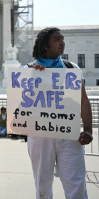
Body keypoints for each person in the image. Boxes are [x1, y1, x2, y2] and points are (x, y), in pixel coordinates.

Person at [26, 27, 92, 199]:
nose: (62, 42)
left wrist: (88, 129)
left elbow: (83, 100)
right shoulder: (28, 70)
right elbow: (21, 104)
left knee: (76, 185)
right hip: (40, 134)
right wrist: (33, 76)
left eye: (62, 38)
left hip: (70, 135)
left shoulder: (72, 68)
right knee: (42, 186)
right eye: (56, 39)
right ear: (45, 45)